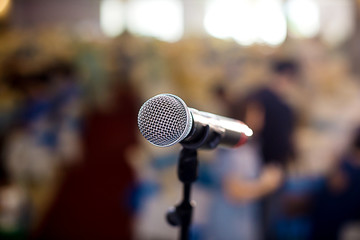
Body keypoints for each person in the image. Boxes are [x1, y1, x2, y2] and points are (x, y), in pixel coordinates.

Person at [223, 59, 300, 239]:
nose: (260, 118)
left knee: (257, 220)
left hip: (259, 168)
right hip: (261, 171)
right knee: (260, 222)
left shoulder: (256, 95)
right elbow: (234, 191)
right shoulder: (277, 105)